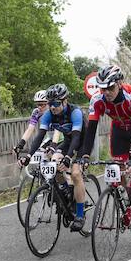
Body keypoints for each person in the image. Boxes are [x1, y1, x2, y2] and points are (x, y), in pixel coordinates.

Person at [80, 64, 131, 229]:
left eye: (110, 88)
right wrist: (85, 155)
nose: (106, 92)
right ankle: (126, 200)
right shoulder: (97, 100)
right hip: (119, 127)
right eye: (102, 88)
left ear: (120, 83)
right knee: (117, 167)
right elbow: (91, 129)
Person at [19, 83, 88, 231]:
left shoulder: (75, 113)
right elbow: (39, 137)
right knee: (54, 162)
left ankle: (80, 215)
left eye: (56, 103)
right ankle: (66, 191)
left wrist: (69, 158)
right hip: (69, 141)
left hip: (83, 142)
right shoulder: (48, 114)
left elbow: (77, 139)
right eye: (50, 104)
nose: (52, 107)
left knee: (75, 173)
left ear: (65, 101)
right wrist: (28, 156)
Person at [13, 90, 53, 159]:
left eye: (42, 105)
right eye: (38, 104)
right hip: (50, 137)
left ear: (49, 103)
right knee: (38, 153)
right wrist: (20, 144)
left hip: (61, 138)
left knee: (55, 158)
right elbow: (30, 129)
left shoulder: (54, 111)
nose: (39, 107)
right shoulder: (36, 112)